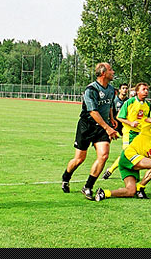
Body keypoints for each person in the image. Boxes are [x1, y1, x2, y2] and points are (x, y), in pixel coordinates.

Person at [61, 62, 120, 200]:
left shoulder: (111, 89)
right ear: (103, 73)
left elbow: (110, 104)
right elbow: (93, 112)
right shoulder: (91, 90)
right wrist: (108, 128)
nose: (113, 72)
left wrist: (112, 118)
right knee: (79, 159)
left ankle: (88, 186)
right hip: (86, 126)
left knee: (104, 155)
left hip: (102, 127)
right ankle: (66, 177)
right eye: (111, 70)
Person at [102, 82, 151, 180]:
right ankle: (110, 170)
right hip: (130, 133)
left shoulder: (147, 105)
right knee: (128, 153)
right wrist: (130, 123)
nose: (146, 91)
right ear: (137, 91)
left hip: (141, 134)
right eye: (143, 89)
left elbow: (146, 119)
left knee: (149, 152)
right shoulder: (130, 102)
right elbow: (119, 117)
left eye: (147, 89)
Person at [94, 131, 151, 201]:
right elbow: (146, 119)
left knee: (130, 191)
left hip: (130, 166)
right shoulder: (150, 135)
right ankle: (140, 188)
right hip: (128, 156)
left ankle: (104, 193)